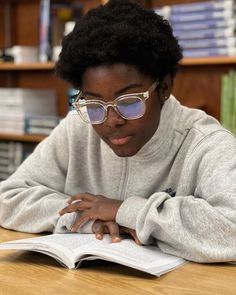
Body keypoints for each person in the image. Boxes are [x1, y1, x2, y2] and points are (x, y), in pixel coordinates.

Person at [0, 0, 236, 263]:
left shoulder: (205, 143)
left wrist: (125, 211)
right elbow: (8, 197)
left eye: (129, 102)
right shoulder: (77, 128)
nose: (111, 120)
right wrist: (85, 216)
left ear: (164, 88)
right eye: (95, 104)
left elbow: (232, 226)